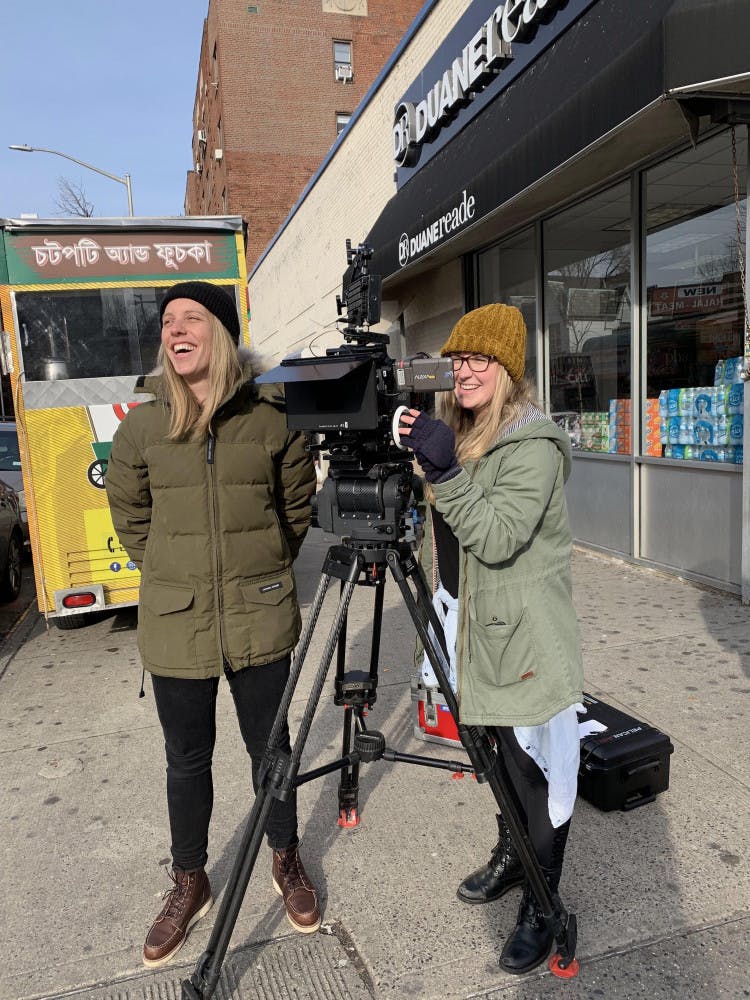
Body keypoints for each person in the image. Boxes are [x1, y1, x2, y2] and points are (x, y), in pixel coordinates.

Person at [106, 281, 319, 969]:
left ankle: (284, 857)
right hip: (176, 622)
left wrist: (260, 573)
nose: (175, 330)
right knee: (185, 761)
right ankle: (189, 881)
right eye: (167, 321)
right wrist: (171, 573)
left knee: (271, 752)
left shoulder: (271, 416)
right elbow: (131, 517)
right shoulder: (143, 426)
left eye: (191, 318)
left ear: (221, 332)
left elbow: (295, 510)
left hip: (258, 613)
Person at [397, 303, 584, 976]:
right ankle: (513, 858)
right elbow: (447, 539)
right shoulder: (464, 430)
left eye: (480, 360)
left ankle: (545, 904)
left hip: (526, 639)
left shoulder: (532, 446)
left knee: (536, 777)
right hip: (473, 625)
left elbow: (499, 535)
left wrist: (444, 476)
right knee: (498, 760)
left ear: (508, 370)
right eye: (457, 360)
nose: (465, 371)